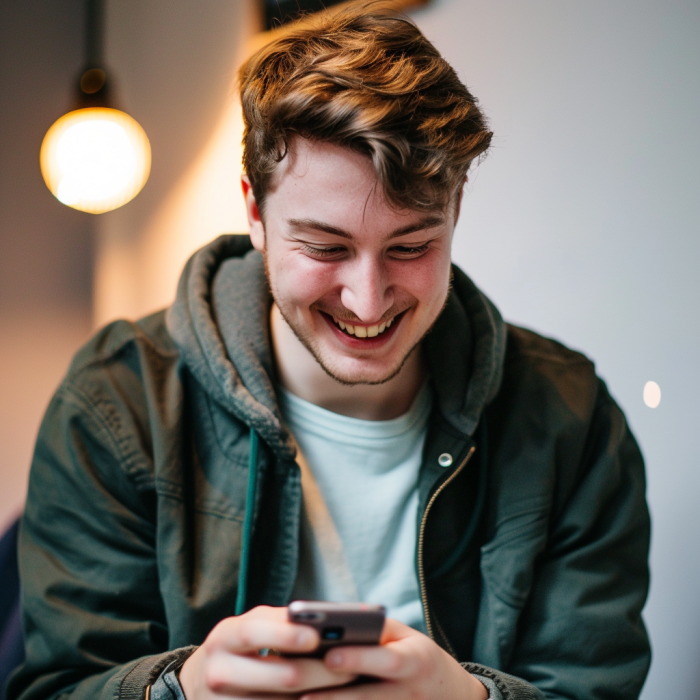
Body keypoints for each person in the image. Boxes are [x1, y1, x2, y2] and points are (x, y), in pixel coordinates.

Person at [8, 5, 651, 700]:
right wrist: (182, 689)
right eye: (325, 247)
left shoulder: (571, 418)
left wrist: (467, 698)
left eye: (411, 247)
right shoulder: (116, 402)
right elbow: (55, 687)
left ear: (457, 206)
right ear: (254, 211)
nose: (369, 301)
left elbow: (596, 685)